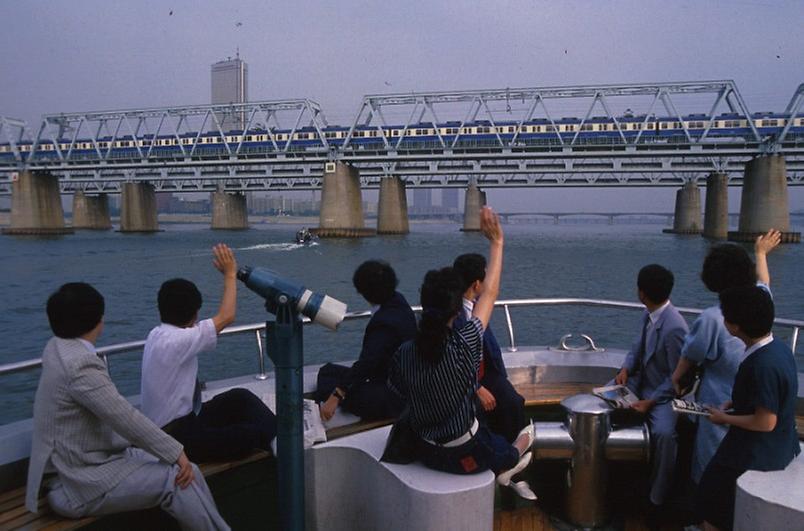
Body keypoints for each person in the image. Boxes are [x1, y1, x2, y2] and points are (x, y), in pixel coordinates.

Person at [26, 283, 228, 530]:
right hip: (79, 484)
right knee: (177, 479)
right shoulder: (80, 366)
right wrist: (176, 452)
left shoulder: (56, 349)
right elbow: (125, 417)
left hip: (86, 462)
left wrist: (177, 455)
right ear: (99, 320)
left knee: (190, 471)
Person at [388, 207, 536, 500]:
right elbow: (490, 294)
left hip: (424, 447)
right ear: (457, 311)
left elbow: (399, 389)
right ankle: (513, 461)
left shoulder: (404, 352)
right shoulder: (465, 344)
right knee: (520, 444)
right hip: (464, 454)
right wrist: (497, 242)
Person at [141, 244, 277, 463]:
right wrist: (231, 274)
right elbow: (226, 316)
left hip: (181, 422)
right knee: (249, 433)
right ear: (195, 314)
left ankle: (275, 434)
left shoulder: (157, 335)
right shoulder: (179, 340)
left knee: (239, 397)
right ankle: (279, 439)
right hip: (176, 439)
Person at [671, 229, 780, 484]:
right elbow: (764, 282)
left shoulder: (714, 317)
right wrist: (761, 253)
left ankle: (704, 518)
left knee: (710, 466)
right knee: (740, 470)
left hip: (717, 403)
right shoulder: (761, 301)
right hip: (749, 403)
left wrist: (676, 377)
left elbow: (692, 353)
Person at [696, 285, 799, 531]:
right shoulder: (777, 350)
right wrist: (736, 404)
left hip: (760, 452)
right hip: (781, 442)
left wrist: (724, 418)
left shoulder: (762, 365)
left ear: (735, 326)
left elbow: (766, 422)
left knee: (710, 492)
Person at [613, 264, 688, 507]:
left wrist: (651, 402)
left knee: (664, 435)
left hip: (661, 394)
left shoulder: (675, 327)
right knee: (598, 403)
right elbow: (637, 347)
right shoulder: (649, 313)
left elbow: (677, 377)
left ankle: (657, 497)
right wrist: (625, 368)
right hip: (638, 382)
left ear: (642, 292)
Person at [316, 260, 417, 421]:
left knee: (327, 381)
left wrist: (337, 395)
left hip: (392, 398)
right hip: (403, 383)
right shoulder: (399, 302)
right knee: (328, 371)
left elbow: (367, 363)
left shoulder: (383, 323)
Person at [453, 253, 525, 443]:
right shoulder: (452, 314)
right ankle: (491, 453)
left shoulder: (476, 306)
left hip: (486, 373)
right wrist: (476, 387)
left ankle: (509, 447)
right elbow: (451, 361)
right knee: (479, 411)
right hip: (464, 382)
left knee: (514, 403)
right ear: (477, 284)